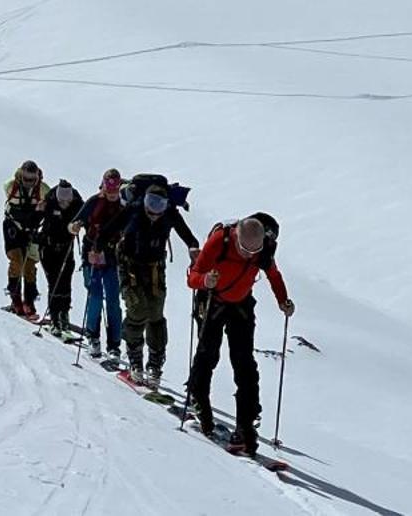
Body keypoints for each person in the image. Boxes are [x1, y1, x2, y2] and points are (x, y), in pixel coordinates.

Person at [186, 212, 293, 455]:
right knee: (207, 354)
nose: (248, 255)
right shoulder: (219, 241)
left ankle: (246, 427)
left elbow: (274, 275)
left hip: (241, 304)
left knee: (244, 363)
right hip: (212, 300)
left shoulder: (263, 250)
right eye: (244, 249)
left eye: (253, 251)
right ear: (236, 237)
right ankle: (200, 403)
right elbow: (192, 277)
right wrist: (206, 281)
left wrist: (283, 300)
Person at [116, 175, 197, 387]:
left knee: (155, 314)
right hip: (130, 266)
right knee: (137, 310)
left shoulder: (168, 213)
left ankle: (153, 366)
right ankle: (137, 363)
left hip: (154, 269)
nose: (154, 210)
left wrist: (193, 247)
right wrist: (97, 248)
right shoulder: (134, 209)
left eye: (159, 204)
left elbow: (187, 235)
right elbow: (110, 228)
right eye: (151, 203)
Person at [69, 168, 127, 362]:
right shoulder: (94, 202)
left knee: (112, 301)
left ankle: (114, 345)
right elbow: (75, 221)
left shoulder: (122, 205)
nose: (111, 193)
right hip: (92, 255)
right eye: (108, 188)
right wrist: (75, 226)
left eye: (114, 189)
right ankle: (93, 336)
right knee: (95, 297)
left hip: (112, 257)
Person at [1, 160, 47, 317]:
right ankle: (16, 300)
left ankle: (29, 302)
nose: (28, 183)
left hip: (32, 230)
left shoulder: (43, 190)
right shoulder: (10, 185)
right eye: (26, 179)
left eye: (32, 179)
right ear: (21, 175)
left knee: (30, 265)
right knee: (16, 261)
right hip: (13, 227)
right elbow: (12, 209)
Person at [39, 178, 84, 334]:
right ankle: (54, 317)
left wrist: (79, 224)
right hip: (48, 247)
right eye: (62, 200)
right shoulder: (50, 200)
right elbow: (36, 219)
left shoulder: (77, 202)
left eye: (67, 200)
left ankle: (63, 315)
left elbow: (85, 216)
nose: (65, 203)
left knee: (65, 281)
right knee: (54, 281)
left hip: (66, 248)